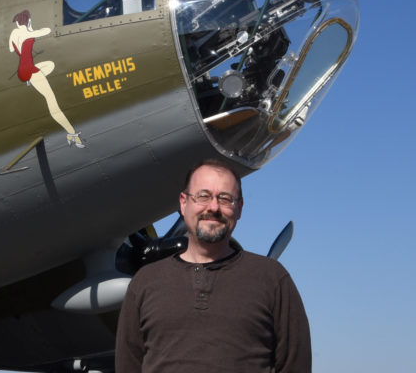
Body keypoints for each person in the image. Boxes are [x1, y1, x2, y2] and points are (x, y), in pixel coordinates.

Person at [115, 158, 310, 372]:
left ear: (239, 208)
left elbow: (296, 365)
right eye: (203, 196)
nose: (214, 207)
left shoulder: (273, 279)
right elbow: (127, 366)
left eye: (225, 199)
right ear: (183, 202)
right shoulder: (144, 282)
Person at [8, 10, 85, 148]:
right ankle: (72, 133)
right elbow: (47, 30)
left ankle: (31, 80)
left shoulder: (14, 34)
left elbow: (11, 50)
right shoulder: (28, 33)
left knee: (50, 65)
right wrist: (31, 28)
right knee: (52, 102)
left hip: (22, 70)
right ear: (28, 21)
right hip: (30, 71)